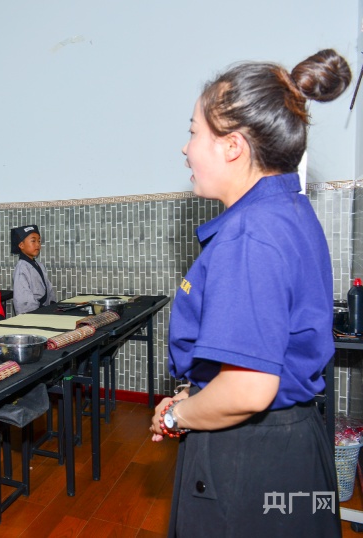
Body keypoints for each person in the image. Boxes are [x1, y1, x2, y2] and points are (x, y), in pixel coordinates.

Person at [149, 49, 351, 537]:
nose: (185, 149)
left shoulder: (249, 233)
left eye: (194, 132)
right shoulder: (288, 210)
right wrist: (193, 394)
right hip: (290, 446)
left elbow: (247, 389)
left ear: (233, 146)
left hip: (248, 460)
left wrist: (176, 416)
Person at [10, 224, 56, 314]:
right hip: (34, 314)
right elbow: (23, 301)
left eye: (39, 241)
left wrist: (52, 305)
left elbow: (49, 289)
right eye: (33, 241)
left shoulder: (39, 265)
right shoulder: (21, 268)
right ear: (21, 245)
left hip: (45, 311)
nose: (37, 244)